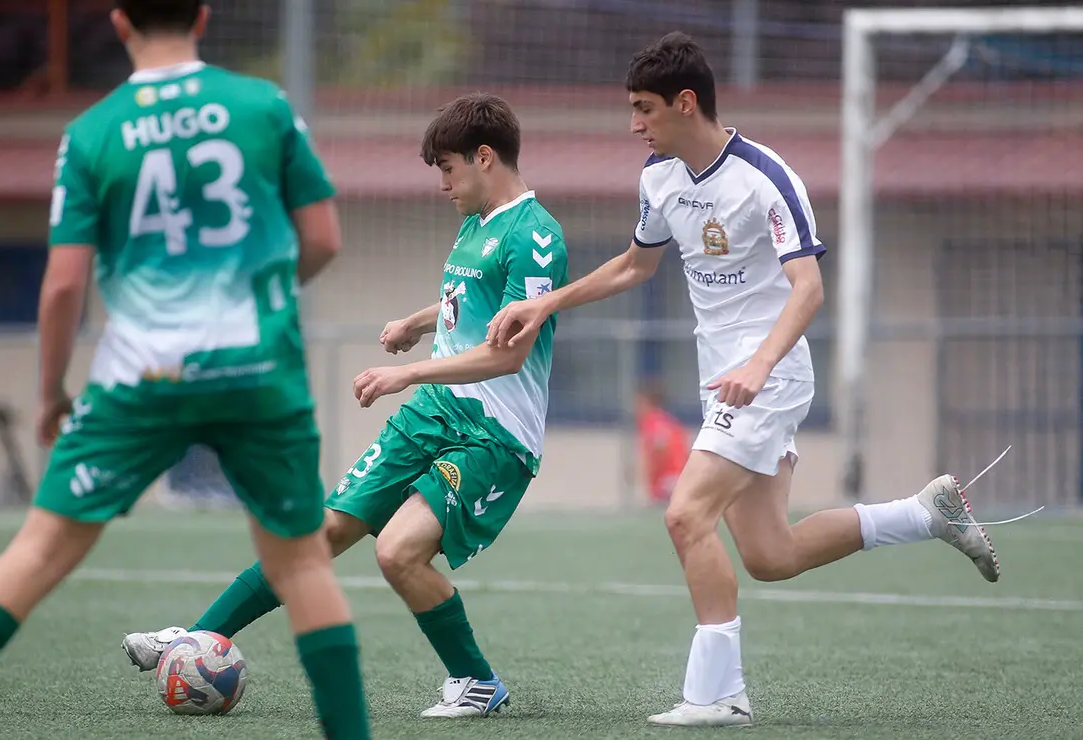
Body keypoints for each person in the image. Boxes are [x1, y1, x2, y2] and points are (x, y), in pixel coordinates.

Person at [486, 31, 999, 728]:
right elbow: (637, 267)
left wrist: (759, 363)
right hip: (721, 385)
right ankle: (924, 512)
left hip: (773, 375)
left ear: (685, 102)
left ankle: (718, 695)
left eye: (644, 109)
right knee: (770, 554)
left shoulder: (765, 177)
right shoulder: (659, 179)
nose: (634, 124)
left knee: (684, 514)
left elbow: (809, 288)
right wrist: (547, 301)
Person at [0, 3, 371, 737]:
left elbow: (63, 285)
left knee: (33, 554)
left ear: (120, 23)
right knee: (303, 566)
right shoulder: (264, 105)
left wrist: (50, 392)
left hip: (141, 379)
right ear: (204, 16)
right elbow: (322, 237)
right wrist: (263, 297)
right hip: (257, 370)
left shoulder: (92, 132)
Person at [122, 92, 570, 719]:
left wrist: (406, 372)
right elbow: (472, 302)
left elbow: (508, 355)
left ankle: (477, 683)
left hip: (492, 438)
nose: (443, 185)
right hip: (435, 413)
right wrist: (419, 321)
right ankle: (197, 636)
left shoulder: (537, 236)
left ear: (484, 157)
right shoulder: (476, 222)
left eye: (447, 169)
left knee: (397, 552)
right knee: (321, 533)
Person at [635, 383, 690, 505]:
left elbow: (660, 446)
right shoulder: (670, 421)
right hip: (677, 476)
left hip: (667, 480)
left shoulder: (654, 420)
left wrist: (650, 470)